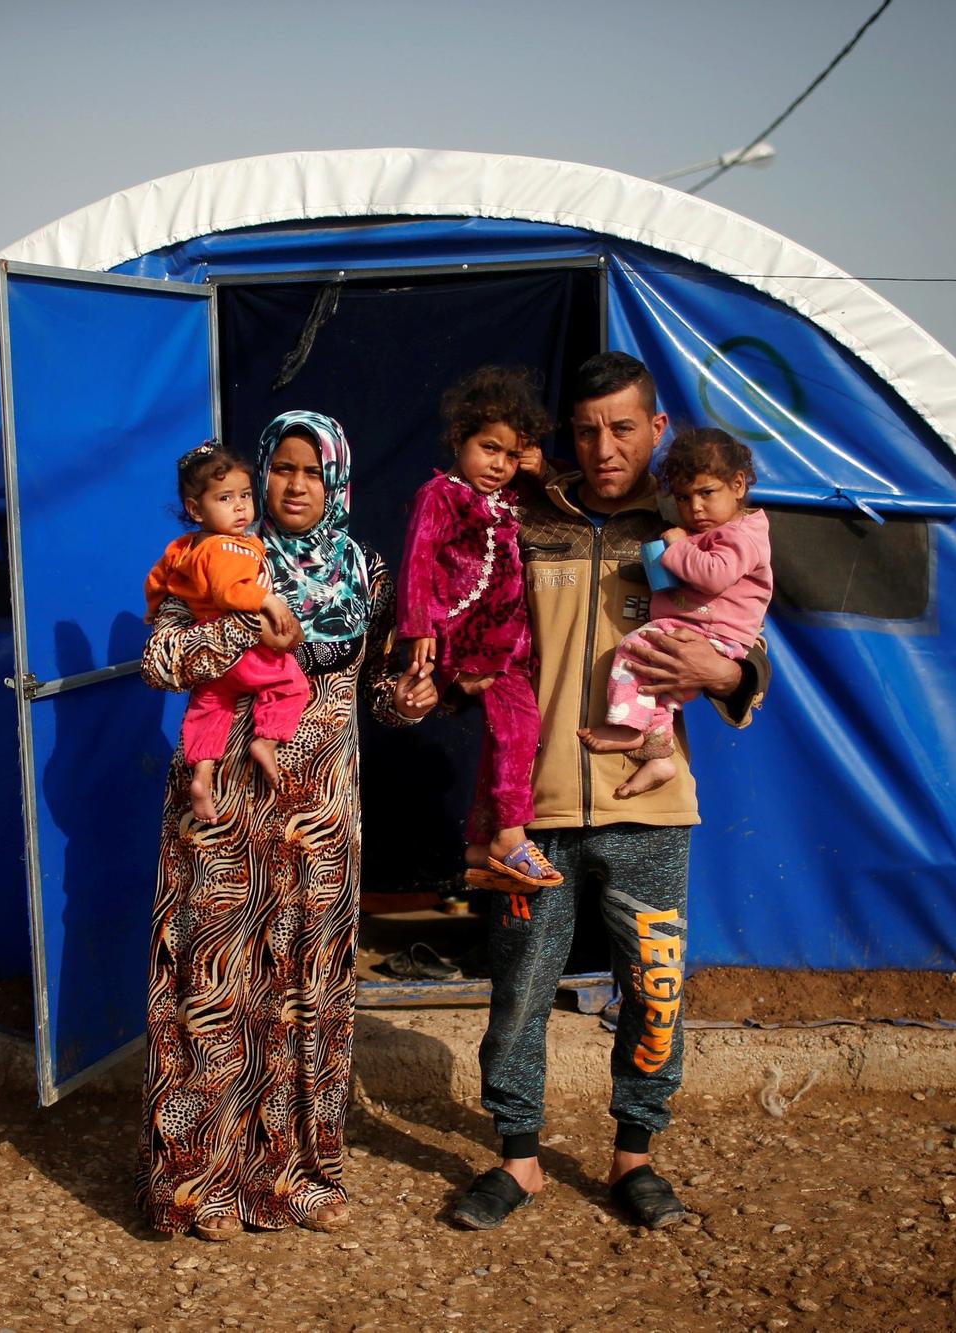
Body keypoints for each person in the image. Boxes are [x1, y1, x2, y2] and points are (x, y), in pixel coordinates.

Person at [451, 352, 770, 1233]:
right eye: (587, 429)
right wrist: (431, 679)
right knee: (519, 988)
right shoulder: (524, 520)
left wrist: (724, 668)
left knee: (655, 985)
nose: (604, 446)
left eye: (623, 427)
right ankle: (518, 1157)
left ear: (656, 430)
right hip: (533, 810)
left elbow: (752, 655)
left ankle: (635, 1153)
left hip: (651, 803)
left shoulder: (694, 531)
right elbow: (475, 626)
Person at [138, 409, 439, 1242]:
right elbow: (160, 659)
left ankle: (292, 1174)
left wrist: (405, 703)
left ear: (337, 479)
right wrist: (247, 622)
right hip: (224, 804)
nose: (296, 484)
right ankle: (200, 1183)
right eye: (282, 469)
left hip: (319, 812)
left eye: (313, 470)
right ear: (259, 476)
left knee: (306, 991)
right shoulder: (222, 556)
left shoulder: (365, 571)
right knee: (213, 983)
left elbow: (376, 683)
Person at [398, 366, 562, 892]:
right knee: (517, 729)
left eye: (512, 455)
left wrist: (540, 472)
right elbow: (418, 559)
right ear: (459, 440)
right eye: (489, 448)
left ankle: (479, 843)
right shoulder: (440, 494)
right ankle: (511, 837)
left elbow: (555, 506)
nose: (499, 464)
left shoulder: (512, 501)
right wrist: (420, 626)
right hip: (458, 635)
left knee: (511, 736)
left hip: (507, 644)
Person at [577, 427, 773, 798]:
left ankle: (627, 726)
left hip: (712, 636)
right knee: (659, 689)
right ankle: (659, 754)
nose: (695, 507)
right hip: (698, 632)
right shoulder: (719, 532)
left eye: (706, 493)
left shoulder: (739, 535)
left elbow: (713, 576)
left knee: (636, 649)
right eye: (683, 497)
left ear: (738, 484)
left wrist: (677, 546)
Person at [143, 442, 304, 822]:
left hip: (213, 662)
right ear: (195, 509)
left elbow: (156, 580)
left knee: (210, 707)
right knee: (290, 683)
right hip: (247, 653)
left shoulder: (183, 548)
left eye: (245, 495)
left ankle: (201, 774)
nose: (240, 506)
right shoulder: (228, 549)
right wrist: (269, 602)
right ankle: (266, 740)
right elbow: (229, 591)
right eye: (226, 498)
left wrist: (153, 609)